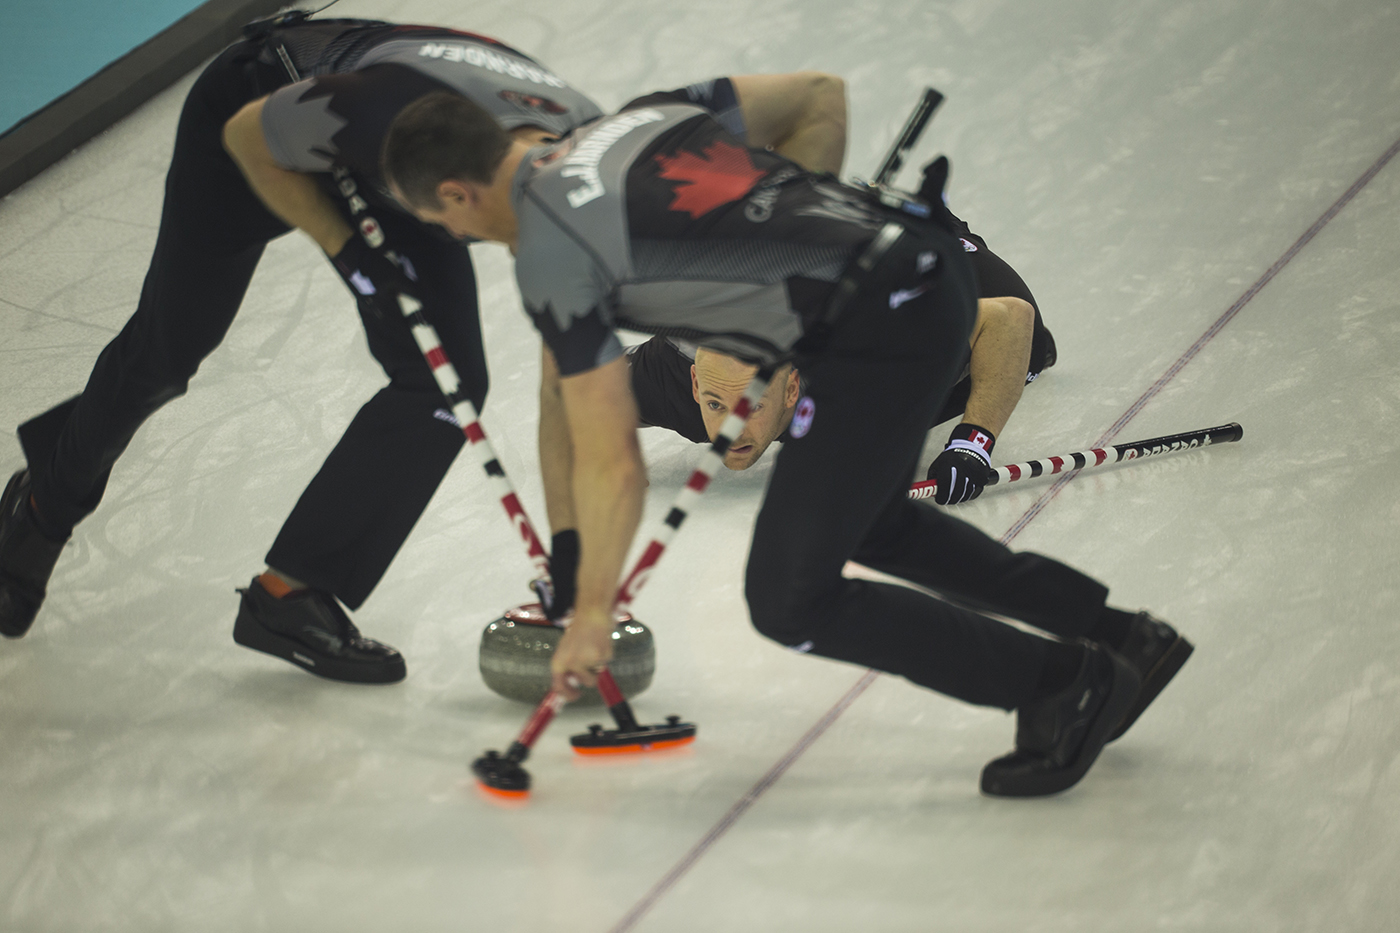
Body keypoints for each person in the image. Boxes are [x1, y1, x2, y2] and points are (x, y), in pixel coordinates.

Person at [381, 90, 1194, 797]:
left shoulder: (553, 256)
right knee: (877, 522)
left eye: (440, 223)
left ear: (458, 193)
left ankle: (1063, 683)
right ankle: (1124, 638)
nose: (456, 239)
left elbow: (610, 458)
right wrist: (800, 243)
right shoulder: (636, 120)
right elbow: (815, 97)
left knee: (789, 598)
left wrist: (591, 611)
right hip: (926, 272)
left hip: (883, 332)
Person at [0, 10, 844, 684]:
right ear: (450, 199)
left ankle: (292, 593)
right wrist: (348, 253)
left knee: (447, 380)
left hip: (422, 156)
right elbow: (254, 137)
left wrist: (570, 556)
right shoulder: (375, 120)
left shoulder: (581, 181)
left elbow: (563, 388)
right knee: (168, 351)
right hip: (262, 116)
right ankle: (42, 506)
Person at [626, 215, 1057, 499]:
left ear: (792, 385)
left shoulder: (868, 356)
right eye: (715, 404)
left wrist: (972, 444)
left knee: (1026, 351)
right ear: (696, 383)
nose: (728, 430)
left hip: (937, 268)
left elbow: (1008, 318)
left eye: (752, 405)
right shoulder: (669, 379)